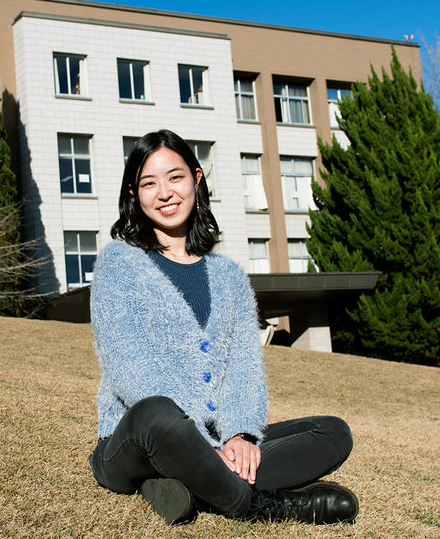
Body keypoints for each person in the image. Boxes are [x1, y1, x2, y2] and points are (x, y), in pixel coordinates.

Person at [88, 129, 358, 525]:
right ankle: (267, 507)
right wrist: (198, 441)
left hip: (214, 442)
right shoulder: (118, 263)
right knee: (157, 414)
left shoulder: (228, 276)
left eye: (175, 177)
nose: (164, 192)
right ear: (134, 193)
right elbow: (130, 367)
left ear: (197, 179)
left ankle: (186, 487)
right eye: (149, 183)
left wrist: (240, 435)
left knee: (332, 432)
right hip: (134, 441)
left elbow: (242, 368)